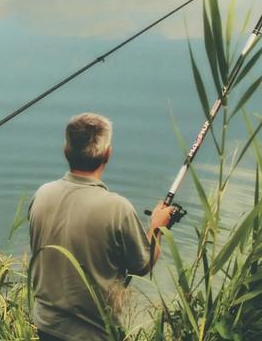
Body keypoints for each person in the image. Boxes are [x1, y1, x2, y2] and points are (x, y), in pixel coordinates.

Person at [28, 113, 174, 341]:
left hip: (46, 326)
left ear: (66, 151)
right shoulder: (117, 208)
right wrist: (157, 227)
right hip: (94, 334)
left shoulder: (41, 195)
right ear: (108, 153)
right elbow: (143, 264)